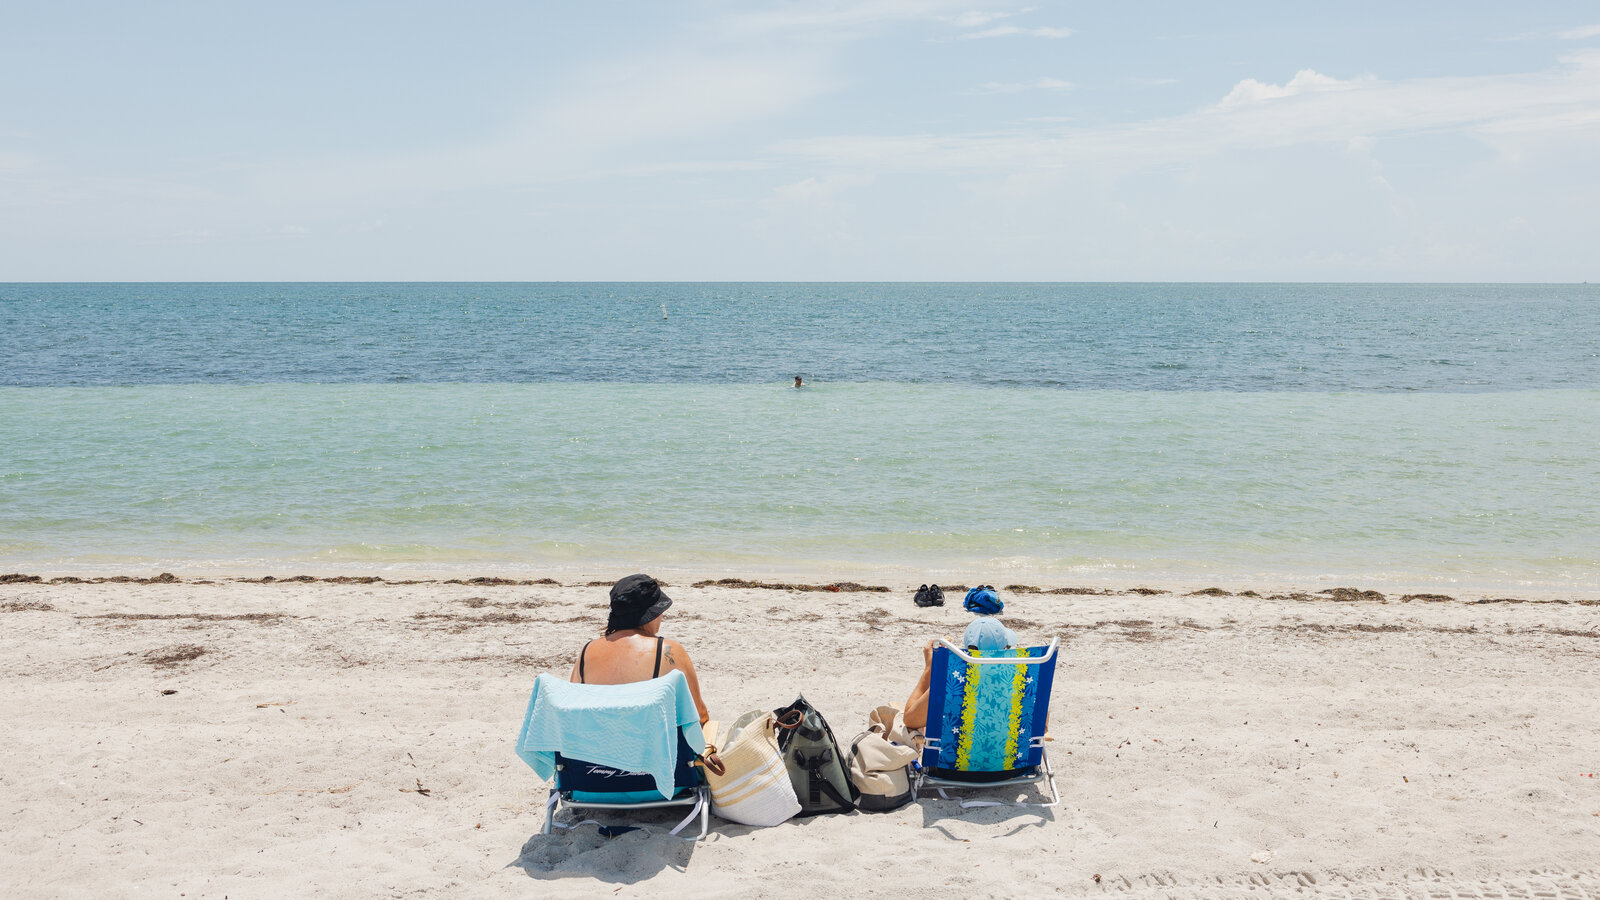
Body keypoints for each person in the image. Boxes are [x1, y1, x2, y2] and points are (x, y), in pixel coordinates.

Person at [569, 573, 712, 727]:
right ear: (651, 614)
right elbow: (699, 715)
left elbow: (574, 708)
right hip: (653, 750)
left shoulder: (587, 651)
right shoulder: (667, 651)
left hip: (596, 748)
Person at [902, 590, 1019, 730]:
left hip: (956, 751)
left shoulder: (953, 679)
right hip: (1009, 751)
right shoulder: (1023, 676)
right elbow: (1042, 725)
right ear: (1005, 648)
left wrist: (929, 668)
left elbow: (909, 720)